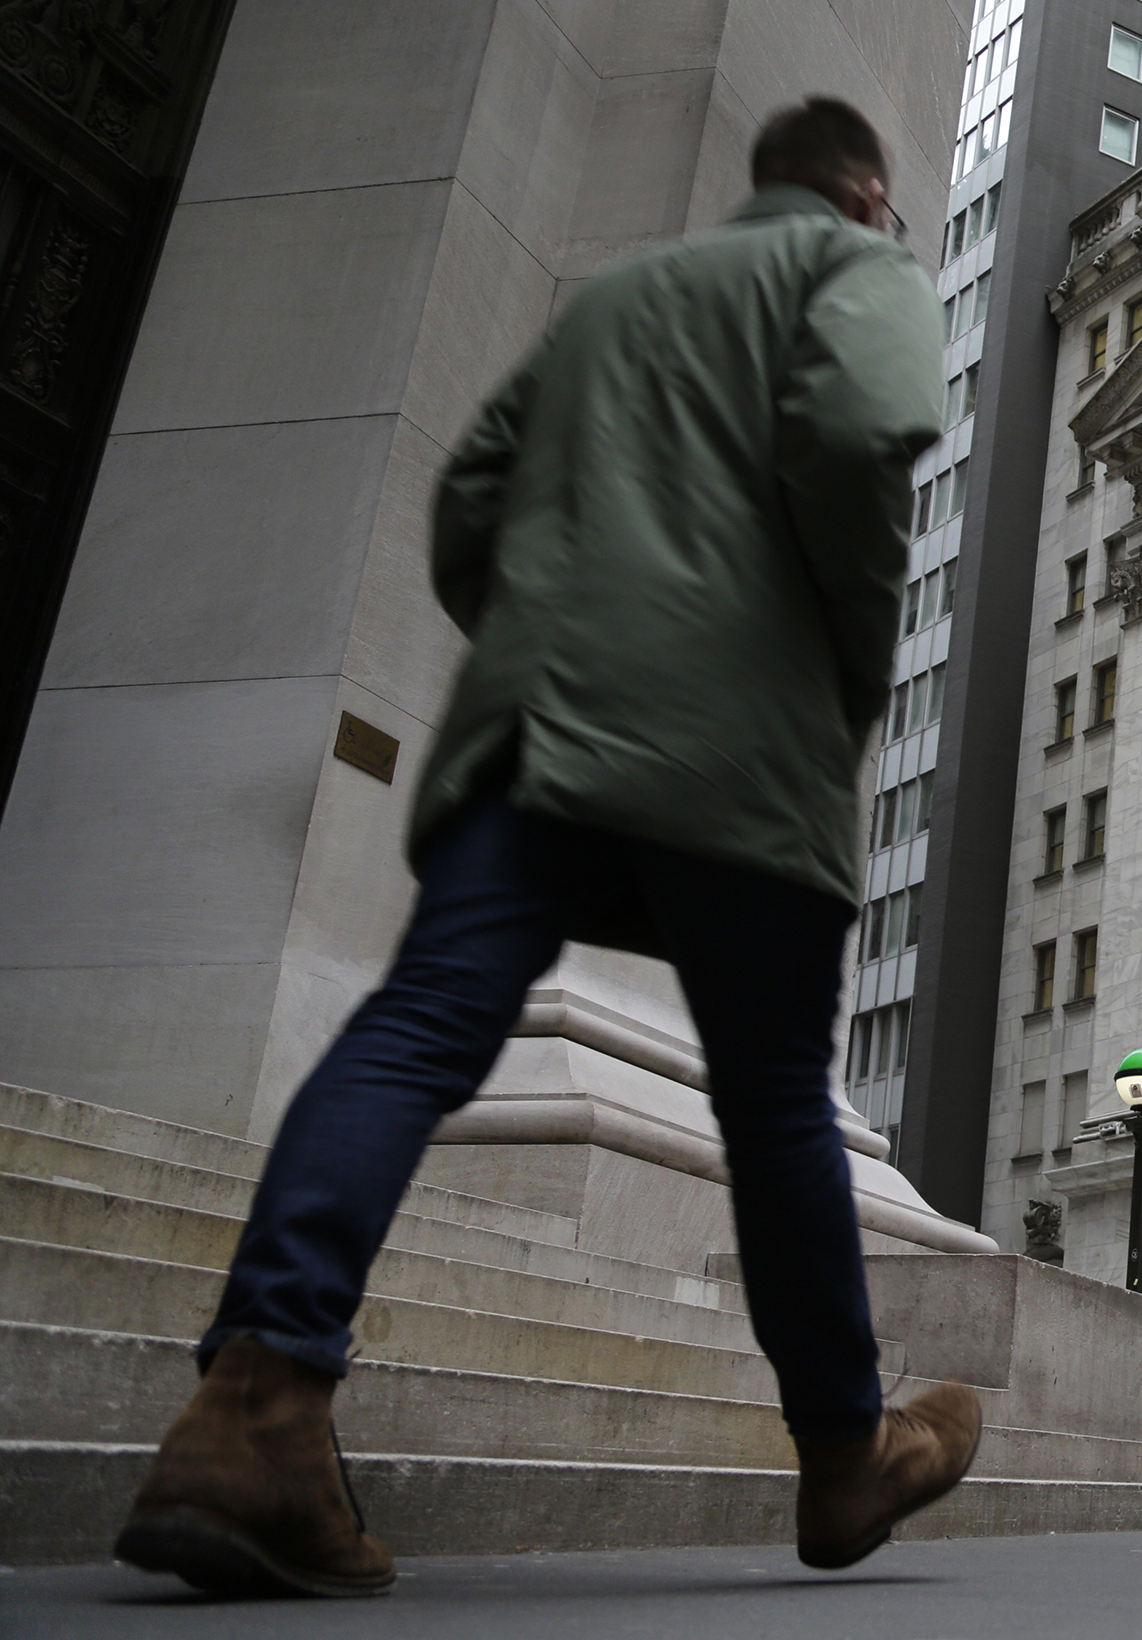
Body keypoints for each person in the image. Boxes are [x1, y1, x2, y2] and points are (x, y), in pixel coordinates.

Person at [110, 96, 972, 1600]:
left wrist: (540, 633)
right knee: (773, 1098)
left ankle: (255, 1398)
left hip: (537, 732)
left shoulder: (620, 301)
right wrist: (844, 652)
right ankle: (844, 1453)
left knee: (422, 1022)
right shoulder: (861, 273)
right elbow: (851, 433)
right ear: (864, 196)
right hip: (743, 745)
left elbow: (466, 503)